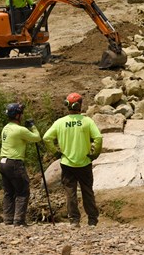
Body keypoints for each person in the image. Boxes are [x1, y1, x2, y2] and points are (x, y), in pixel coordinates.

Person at [43, 93, 103, 228]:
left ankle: (74, 221)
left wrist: (55, 152)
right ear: (79, 106)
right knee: (87, 191)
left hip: (67, 164)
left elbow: (46, 138)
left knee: (70, 192)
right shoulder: (87, 121)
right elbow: (98, 138)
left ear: (67, 106)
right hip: (85, 163)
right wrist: (95, 154)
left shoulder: (60, 122)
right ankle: (92, 220)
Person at [0, 102, 41, 226]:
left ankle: (8, 219)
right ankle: (19, 221)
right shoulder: (20, 130)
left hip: (3, 162)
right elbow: (37, 138)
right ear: (17, 115)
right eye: (21, 113)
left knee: (8, 192)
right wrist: (32, 126)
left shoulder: (6, 128)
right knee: (22, 191)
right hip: (14, 162)